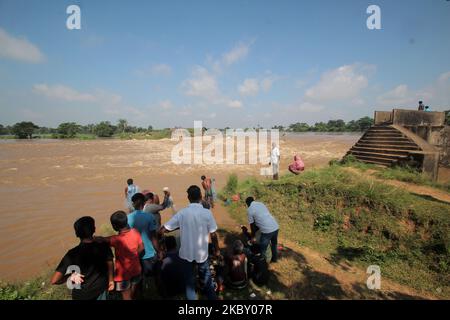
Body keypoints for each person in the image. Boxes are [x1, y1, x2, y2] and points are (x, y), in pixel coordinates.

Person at [159, 185, 220, 300]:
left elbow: (163, 229)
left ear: (188, 198)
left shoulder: (182, 213)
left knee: (189, 283)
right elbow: (213, 234)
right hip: (202, 254)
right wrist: (217, 250)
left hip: (186, 254)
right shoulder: (207, 213)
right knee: (207, 281)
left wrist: (161, 247)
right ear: (201, 197)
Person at [51, 217, 114, 300]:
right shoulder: (103, 245)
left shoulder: (72, 254)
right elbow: (110, 263)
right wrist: (111, 281)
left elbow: (54, 280)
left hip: (82, 295)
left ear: (76, 234)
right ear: (94, 229)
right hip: (100, 289)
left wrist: (70, 276)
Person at [95, 211, 144, 300]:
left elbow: (102, 240)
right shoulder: (135, 232)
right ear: (126, 221)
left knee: (126, 297)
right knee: (133, 293)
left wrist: (94, 238)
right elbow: (141, 247)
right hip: (136, 269)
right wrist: (135, 256)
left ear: (115, 226)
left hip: (123, 275)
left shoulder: (116, 239)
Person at [129, 193, 161, 277]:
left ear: (133, 204)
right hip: (149, 253)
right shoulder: (150, 217)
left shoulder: (127, 218)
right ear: (144, 203)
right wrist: (159, 251)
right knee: (155, 278)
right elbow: (153, 237)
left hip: (135, 254)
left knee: (139, 279)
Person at [245, 197, 279, 263]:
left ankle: (263, 262)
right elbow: (262, 217)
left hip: (267, 230)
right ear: (253, 200)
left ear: (247, 204)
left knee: (263, 247)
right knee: (274, 244)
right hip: (275, 226)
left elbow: (252, 225)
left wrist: (253, 236)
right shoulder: (261, 204)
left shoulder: (249, 210)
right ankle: (275, 259)